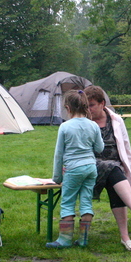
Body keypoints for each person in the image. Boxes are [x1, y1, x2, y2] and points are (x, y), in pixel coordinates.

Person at [84, 86, 131, 252]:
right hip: (90, 165)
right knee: (112, 169)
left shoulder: (116, 120)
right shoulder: (84, 122)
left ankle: (126, 237)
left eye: (92, 105)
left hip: (114, 166)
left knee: (114, 174)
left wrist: (130, 172)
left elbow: (126, 148)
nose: (89, 109)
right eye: (86, 106)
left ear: (102, 104)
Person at [47, 90, 104, 249]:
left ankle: (64, 240)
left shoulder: (65, 126)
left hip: (73, 169)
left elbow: (59, 154)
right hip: (91, 168)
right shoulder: (93, 125)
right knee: (86, 202)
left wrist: (57, 177)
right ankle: (83, 239)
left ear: (68, 107)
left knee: (68, 202)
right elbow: (99, 147)